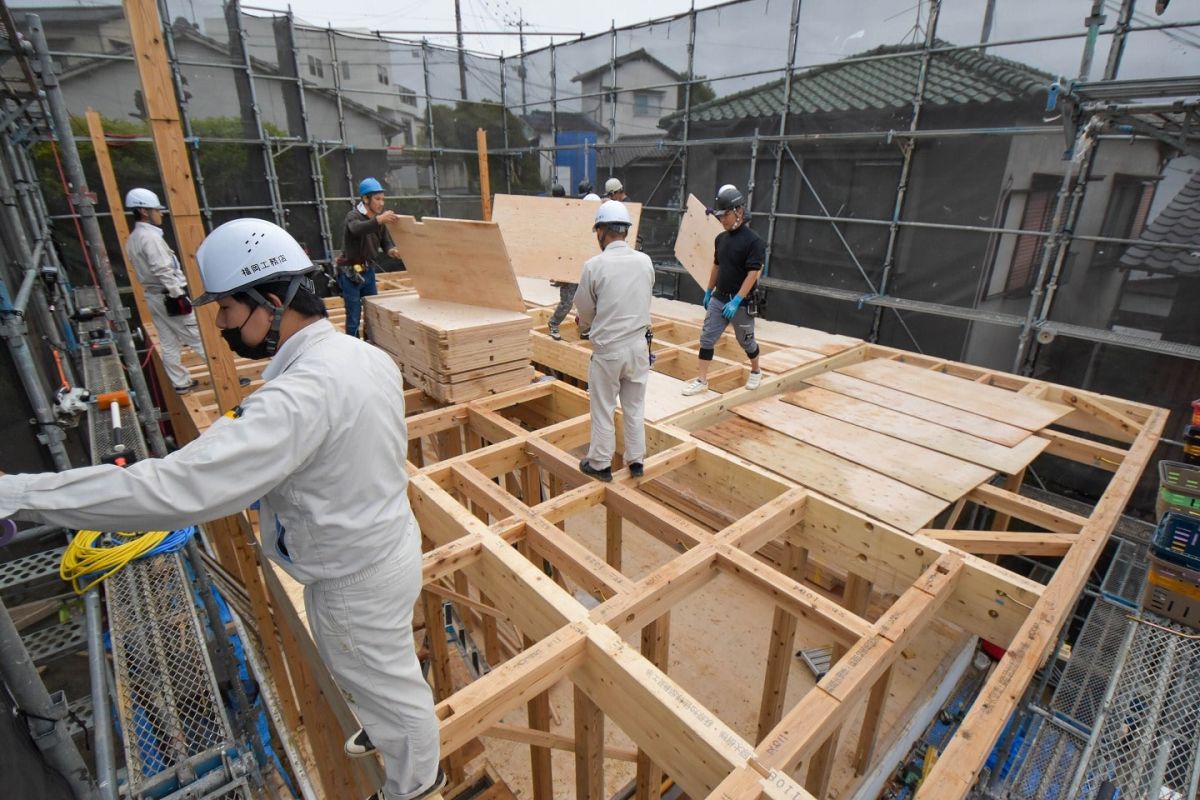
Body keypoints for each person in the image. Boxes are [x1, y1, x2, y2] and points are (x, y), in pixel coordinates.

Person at [0, 218, 444, 800]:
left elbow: (170, 489)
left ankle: (414, 783)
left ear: (270, 300)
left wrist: (23, 495)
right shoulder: (360, 355)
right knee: (383, 672)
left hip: (351, 577)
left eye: (228, 310)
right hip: (386, 545)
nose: (220, 323)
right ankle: (387, 723)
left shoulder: (299, 398)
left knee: (384, 678)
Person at [575, 201, 654, 482]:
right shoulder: (644, 261)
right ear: (625, 231)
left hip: (609, 351)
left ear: (602, 231)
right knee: (634, 406)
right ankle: (636, 461)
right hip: (638, 347)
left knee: (604, 407)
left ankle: (600, 463)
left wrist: (587, 324)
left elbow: (584, 311)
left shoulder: (594, 266)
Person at [682, 184, 764, 396]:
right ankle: (701, 380)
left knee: (746, 341)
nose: (722, 220)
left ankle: (755, 370)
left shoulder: (753, 241)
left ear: (739, 211)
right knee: (707, 337)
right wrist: (709, 291)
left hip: (741, 302)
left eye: (725, 215)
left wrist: (737, 300)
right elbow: (716, 266)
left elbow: (752, 273)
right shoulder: (721, 239)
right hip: (720, 298)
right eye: (719, 215)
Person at [124, 188, 207, 393]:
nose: (159, 214)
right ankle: (226, 375)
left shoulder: (134, 238)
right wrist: (178, 294)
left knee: (168, 341)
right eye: (156, 210)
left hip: (154, 297)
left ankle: (180, 382)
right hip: (168, 295)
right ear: (144, 211)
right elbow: (162, 269)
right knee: (197, 336)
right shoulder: (150, 238)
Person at [340, 177, 402, 339]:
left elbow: (386, 243)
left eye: (383, 199)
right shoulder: (353, 216)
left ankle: (371, 343)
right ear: (365, 199)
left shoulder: (379, 221)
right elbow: (356, 229)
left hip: (368, 271)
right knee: (353, 315)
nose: (381, 203)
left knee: (372, 313)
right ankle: (353, 347)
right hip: (351, 272)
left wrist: (393, 251)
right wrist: (379, 220)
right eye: (377, 199)